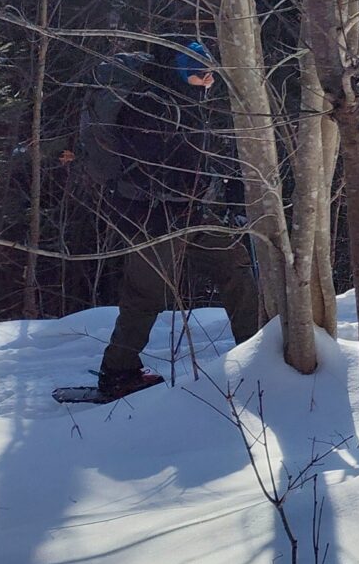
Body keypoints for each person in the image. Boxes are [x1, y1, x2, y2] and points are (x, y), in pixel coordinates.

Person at [82, 40, 263, 400]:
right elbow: (162, 168)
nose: (207, 79)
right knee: (144, 297)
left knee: (235, 269)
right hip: (154, 218)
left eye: (211, 73)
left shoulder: (184, 100)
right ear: (181, 71)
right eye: (200, 73)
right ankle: (117, 374)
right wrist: (208, 181)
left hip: (190, 213)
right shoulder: (154, 104)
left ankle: (259, 353)